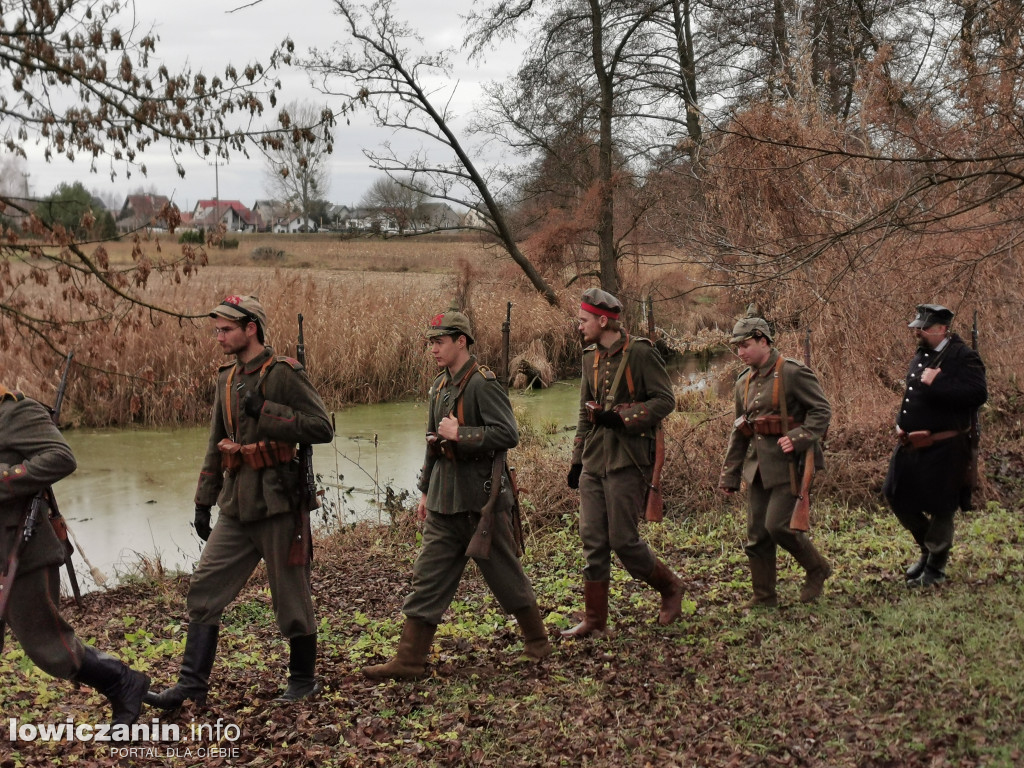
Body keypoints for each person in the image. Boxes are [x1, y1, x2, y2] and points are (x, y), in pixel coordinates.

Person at [145, 294, 333, 708]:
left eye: (226, 329)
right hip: (236, 504)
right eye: (217, 330)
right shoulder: (226, 377)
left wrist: (267, 410)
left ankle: (303, 680)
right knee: (205, 587)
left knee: (290, 595)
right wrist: (203, 501)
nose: (219, 337)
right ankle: (192, 684)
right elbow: (217, 442)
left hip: (279, 503)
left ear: (252, 328)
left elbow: (322, 426)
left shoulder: (283, 373)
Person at [363, 310, 551, 680]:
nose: (432, 348)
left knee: (506, 577)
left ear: (461, 341)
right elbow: (432, 444)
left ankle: (538, 643)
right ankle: (409, 660)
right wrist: (423, 491)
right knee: (426, 578)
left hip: (482, 503)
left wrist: (461, 434)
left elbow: (508, 434)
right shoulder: (439, 387)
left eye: (439, 341)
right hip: (443, 503)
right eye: (430, 342)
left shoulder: (483, 384)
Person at [1, 386, 148, 726]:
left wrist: (5, 478)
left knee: (49, 645)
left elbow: (60, 457)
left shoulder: (16, 413)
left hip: (19, 551)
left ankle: (123, 682)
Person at [562, 288, 683, 638]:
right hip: (594, 460)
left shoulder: (641, 353)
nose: (579, 325)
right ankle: (595, 621)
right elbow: (585, 412)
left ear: (604, 320)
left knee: (623, 540)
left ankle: (671, 588)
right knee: (592, 539)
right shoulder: (589, 357)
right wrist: (576, 460)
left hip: (629, 459)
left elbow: (665, 400)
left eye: (584, 320)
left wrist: (624, 417)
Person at [718, 311, 832, 606]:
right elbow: (740, 430)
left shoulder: (792, 372)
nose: (740, 352)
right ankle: (764, 596)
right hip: (757, 468)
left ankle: (817, 568)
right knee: (757, 536)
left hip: (790, 465)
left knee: (778, 526)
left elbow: (821, 411)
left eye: (744, 345)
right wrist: (730, 474)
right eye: (737, 347)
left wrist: (797, 438)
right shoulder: (742, 381)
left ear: (763, 341)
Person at [883, 304, 987, 587]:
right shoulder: (923, 352)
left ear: (942, 329)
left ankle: (936, 569)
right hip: (911, 443)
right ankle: (928, 549)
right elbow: (912, 394)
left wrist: (939, 383)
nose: (919, 332)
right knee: (895, 494)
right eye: (918, 326)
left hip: (946, 446)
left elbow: (978, 394)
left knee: (942, 506)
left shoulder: (963, 356)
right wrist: (900, 422)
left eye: (924, 328)